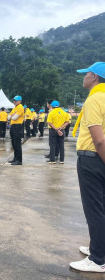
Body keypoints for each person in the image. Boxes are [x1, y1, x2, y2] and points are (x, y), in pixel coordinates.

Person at [69, 62, 105, 272]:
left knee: (95, 209)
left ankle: (98, 259)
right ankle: (98, 247)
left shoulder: (94, 100)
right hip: (99, 157)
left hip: (93, 158)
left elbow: (98, 140)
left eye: (86, 74)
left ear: (93, 77)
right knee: (101, 207)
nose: (83, 78)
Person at [8, 96, 24, 165]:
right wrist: (11, 116)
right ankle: (15, 158)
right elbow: (8, 117)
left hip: (17, 126)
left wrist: (11, 116)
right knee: (14, 143)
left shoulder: (20, 107)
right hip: (13, 126)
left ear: (20, 101)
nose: (14, 102)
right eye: (14, 100)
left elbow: (14, 118)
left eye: (16, 100)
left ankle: (19, 160)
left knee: (17, 144)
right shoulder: (15, 108)